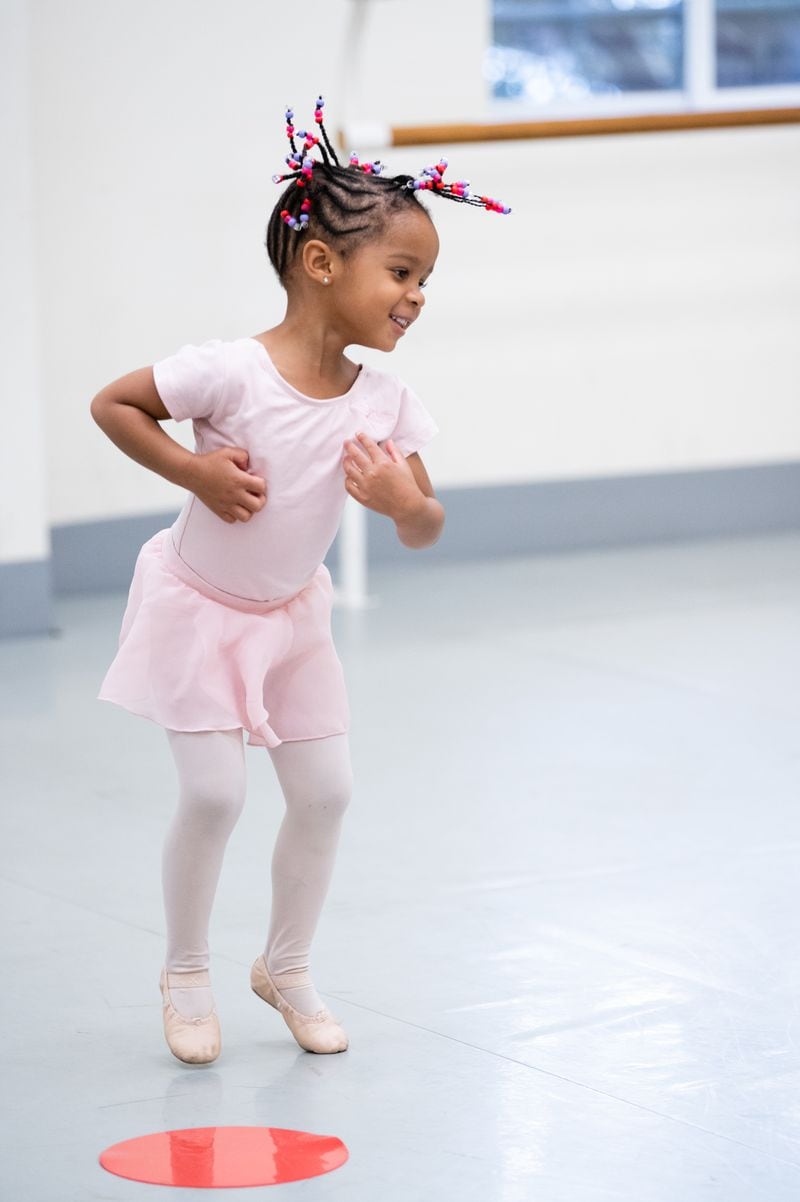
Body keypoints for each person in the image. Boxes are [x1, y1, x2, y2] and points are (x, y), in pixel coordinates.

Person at [91, 97, 509, 1065]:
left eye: (425, 281)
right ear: (322, 265)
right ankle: (185, 967)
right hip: (198, 610)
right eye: (401, 272)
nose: (415, 296)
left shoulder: (384, 400)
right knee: (213, 795)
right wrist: (193, 469)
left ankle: (285, 962)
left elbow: (426, 523)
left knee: (325, 792)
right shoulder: (230, 373)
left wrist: (401, 500)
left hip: (290, 624)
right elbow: (113, 403)